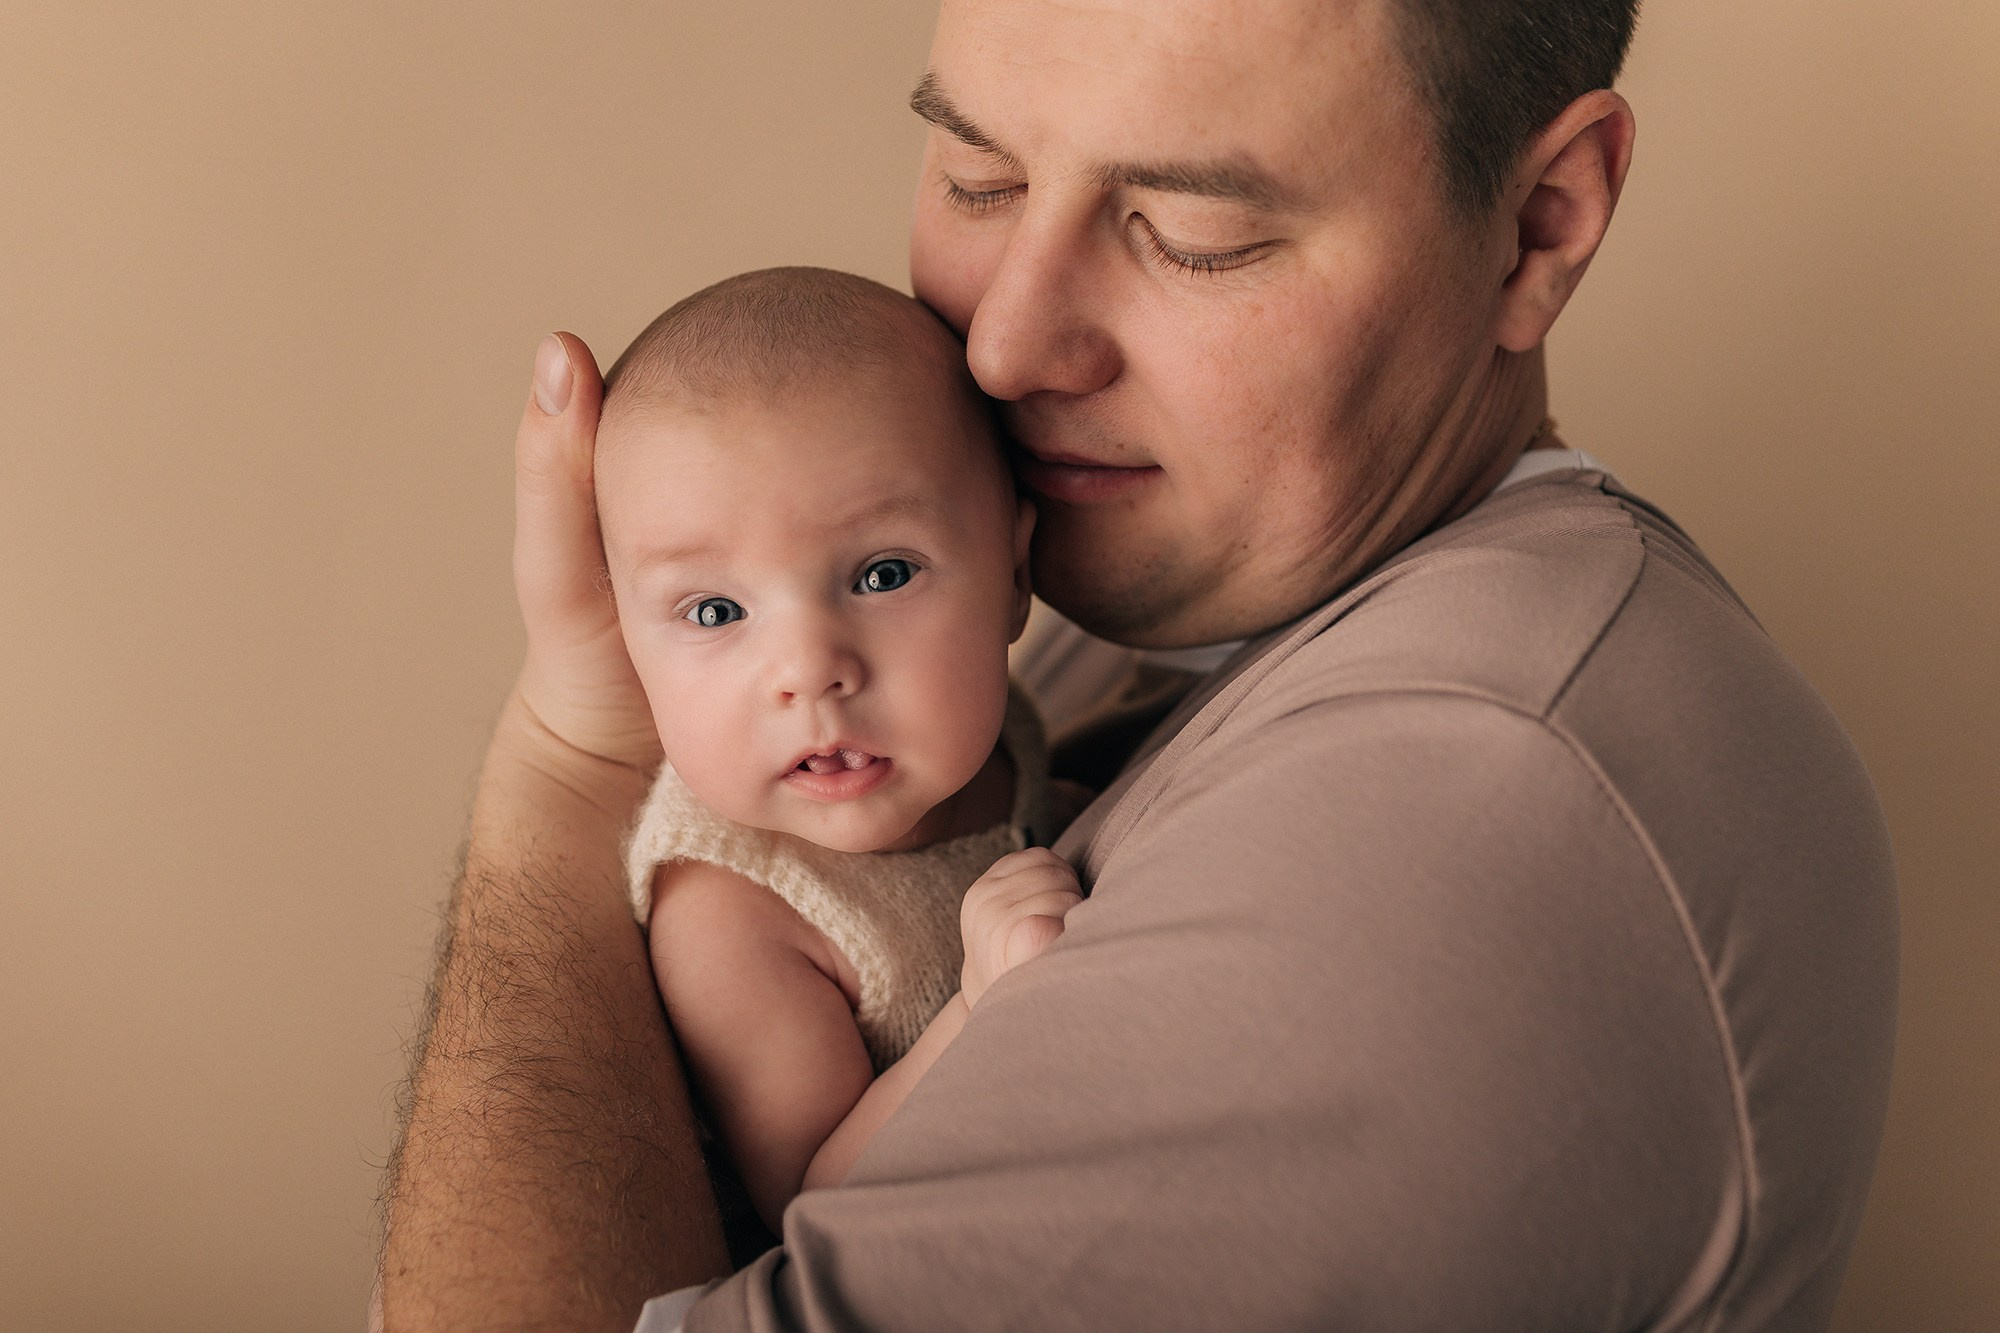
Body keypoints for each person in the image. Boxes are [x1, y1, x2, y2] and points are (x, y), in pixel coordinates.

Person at [378, 2, 1899, 1330]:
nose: (1005, 345)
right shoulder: (1109, 640)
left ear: (1539, 223)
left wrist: (568, 772)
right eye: (978, 176)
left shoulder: (1464, 805)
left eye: (1191, 233)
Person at [594, 266, 1084, 1241]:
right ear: (628, 644)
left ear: (1013, 573)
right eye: (715, 611)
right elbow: (815, 1201)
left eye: (883, 573)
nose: (809, 670)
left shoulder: (983, 734)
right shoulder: (734, 911)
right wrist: (977, 1009)